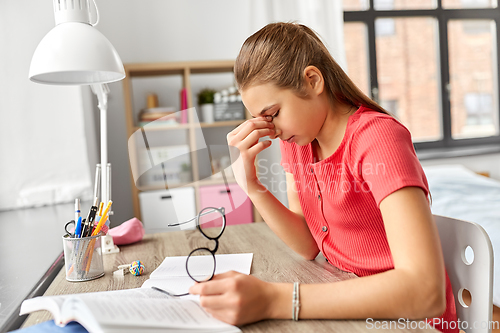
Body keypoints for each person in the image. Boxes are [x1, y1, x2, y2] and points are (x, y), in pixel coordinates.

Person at [189, 22, 458, 333]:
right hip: (351, 305)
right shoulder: (300, 142)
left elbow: (425, 292)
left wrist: (276, 299)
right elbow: (308, 244)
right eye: (262, 120)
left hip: (410, 322)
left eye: (273, 113)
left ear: (313, 80)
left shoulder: (378, 139)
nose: (272, 131)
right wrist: (252, 186)